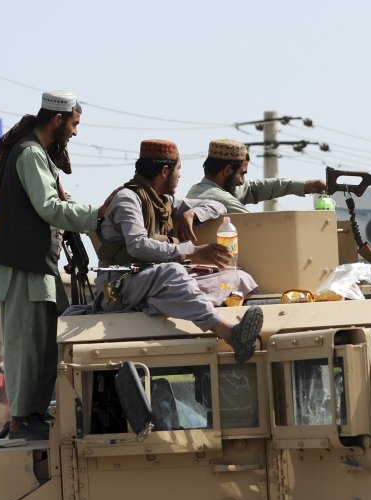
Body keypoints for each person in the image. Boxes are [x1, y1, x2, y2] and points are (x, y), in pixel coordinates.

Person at [70, 139, 263, 362]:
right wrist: (192, 251)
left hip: (153, 281)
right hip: (121, 284)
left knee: (237, 277)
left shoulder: (165, 202)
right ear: (164, 171)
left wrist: (192, 214)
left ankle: (258, 338)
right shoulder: (127, 199)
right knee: (173, 272)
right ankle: (229, 332)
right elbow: (138, 245)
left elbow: (217, 205)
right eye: (178, 169)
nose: (180, 175)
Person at [0, 90, 100, 438]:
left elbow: (59, 203)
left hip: (38, 266)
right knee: (24, 348)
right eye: (74, 124)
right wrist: (99, 217)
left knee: (45, 346)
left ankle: (32, 415)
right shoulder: (30, 154)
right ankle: (20, 420)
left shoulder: (42, 156)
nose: (75, 132)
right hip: (21, 268)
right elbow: (50, 208)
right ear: (58, 119)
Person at [185, 139, 327, 214]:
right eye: (241, 173)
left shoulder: (206, 188)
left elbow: (254, 188)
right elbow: (257, 225)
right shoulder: (219, 198)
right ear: (227, 170)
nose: (242, 182)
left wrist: (306, 186)